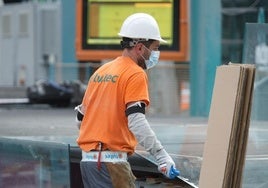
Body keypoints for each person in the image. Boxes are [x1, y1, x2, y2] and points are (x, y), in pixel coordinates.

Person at [75, 12, 180, 188]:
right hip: (110, 163)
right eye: (154, 48)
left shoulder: (102, 71)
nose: (155, 53)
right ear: (140, 47)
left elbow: (80, 119)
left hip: (89, 163)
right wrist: (161, 156)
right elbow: (136, 121)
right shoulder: (135, 73)